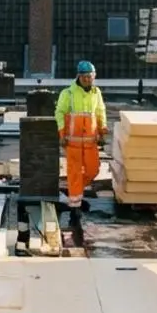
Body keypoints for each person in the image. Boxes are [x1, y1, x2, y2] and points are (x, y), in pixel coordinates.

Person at [55, 60, 107, 215]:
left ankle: (74, 189)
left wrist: (102, 131)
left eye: (90, 76)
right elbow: (59, 113)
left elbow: (100, 111)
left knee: (93, 170)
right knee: (74, 173)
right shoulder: (68, 93)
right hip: (72, 143)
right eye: (84, 76)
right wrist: (62, 134)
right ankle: (75, 206)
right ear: (78, 76)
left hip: (90, 141)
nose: (87, 79)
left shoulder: (96, 92)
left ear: (94, 76)